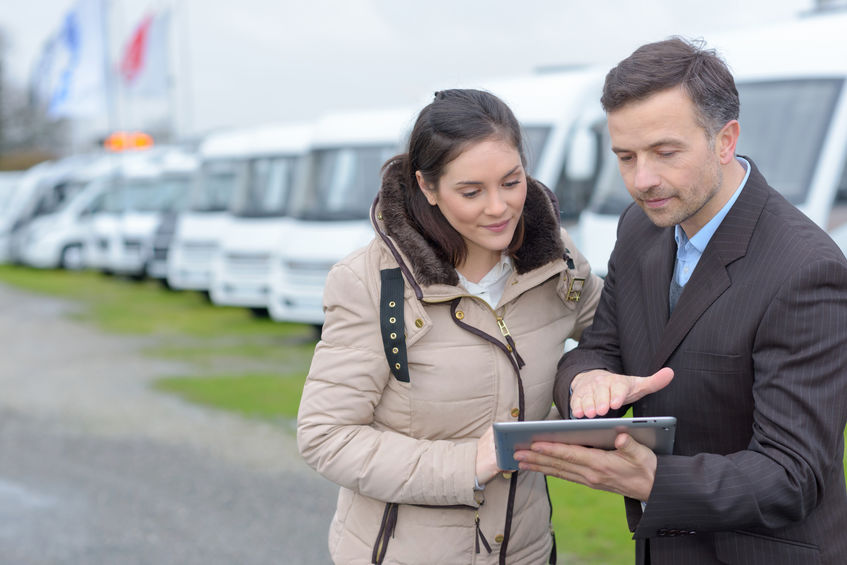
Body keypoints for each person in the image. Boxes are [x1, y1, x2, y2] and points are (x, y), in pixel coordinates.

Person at [514, 37, 847, 565]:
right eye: (625, 156)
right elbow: (598, 346)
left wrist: (654, 480)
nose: (642, 180)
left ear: (725, 140)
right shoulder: (639, 229)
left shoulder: (807, 269)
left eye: (665, 153)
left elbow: (792, 475)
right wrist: (586, 382)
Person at [297, 89, 602, 564]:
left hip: (527, 552)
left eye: (511, 181)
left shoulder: (557, 261)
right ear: (428, 187)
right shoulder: (366, 283)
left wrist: (591, 374)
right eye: (471, 192)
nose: (499, 207)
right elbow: (325, 435)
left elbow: (610, 337)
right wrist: (467, 465)